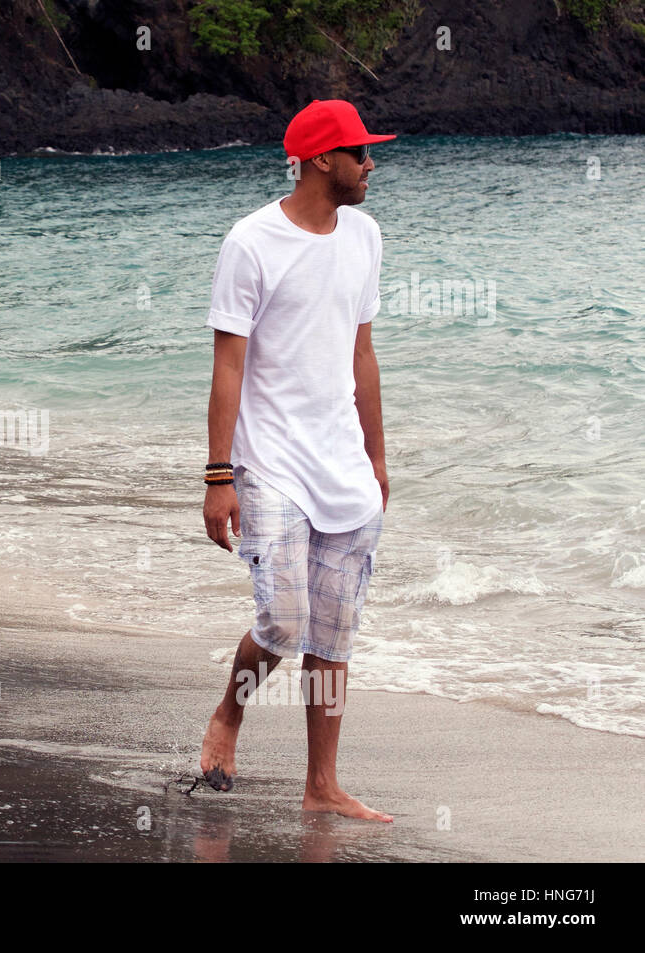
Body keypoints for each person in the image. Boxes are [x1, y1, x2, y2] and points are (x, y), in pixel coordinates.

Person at [199, 99, 395, 822]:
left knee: (333, 635)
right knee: (283, 621)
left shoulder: (366, 235)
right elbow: (228, 368)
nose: (372, 164)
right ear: (321, 160)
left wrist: (377, 457)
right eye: (361, 152)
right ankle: (230, 714)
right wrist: (219, 476)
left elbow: (362, 351)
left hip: (343, 464)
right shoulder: (251, 243)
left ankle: (322, 783)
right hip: (272, 460)